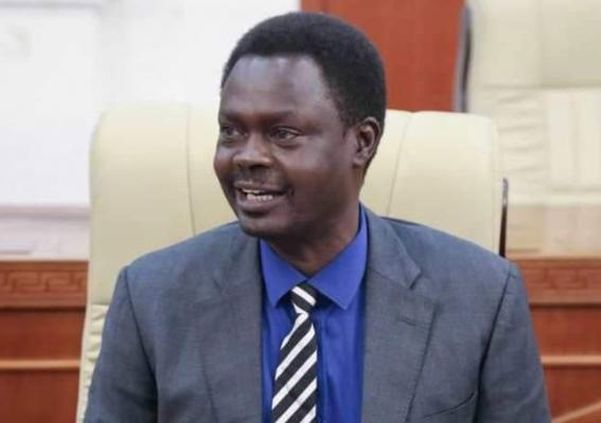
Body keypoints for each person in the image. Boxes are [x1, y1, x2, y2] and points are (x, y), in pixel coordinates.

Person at [85, 12, 550, 423]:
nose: (246, 156)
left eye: (282, 133)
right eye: (231, 131)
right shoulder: (153, 298)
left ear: (362, 142)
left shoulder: (481, 298)